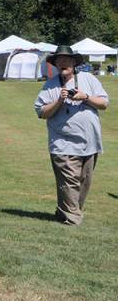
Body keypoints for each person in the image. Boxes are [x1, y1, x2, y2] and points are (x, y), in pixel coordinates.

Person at [34, 45, 109, 226]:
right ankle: (73, 220)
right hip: (62, 143)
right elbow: (41, 112)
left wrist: (85, 97)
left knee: (84, 182)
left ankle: (64, 212)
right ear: (56, 64)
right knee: (69, 182)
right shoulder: (50, 85)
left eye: (67, 59)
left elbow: (104, 103)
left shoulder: (88, 79)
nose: (63, 63)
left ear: (74, 62)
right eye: (59, 60)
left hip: (90, 142)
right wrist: (60, 100)